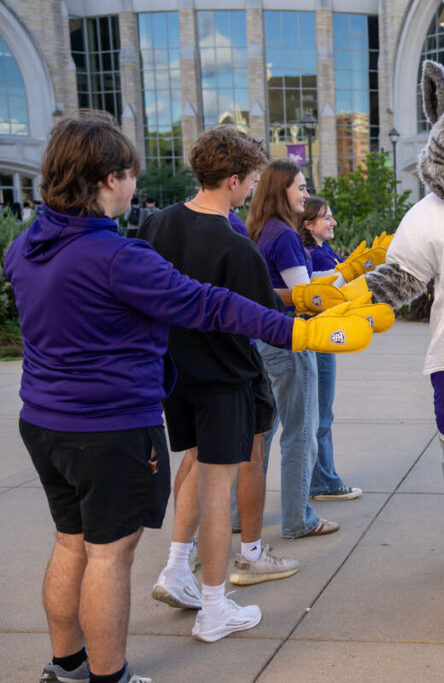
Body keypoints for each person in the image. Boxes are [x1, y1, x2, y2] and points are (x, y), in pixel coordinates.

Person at [5, 111, 371, 683]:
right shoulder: (115, 258)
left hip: (43, 423)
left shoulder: (26, 247)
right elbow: (209, 303)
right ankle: (108, 676)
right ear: (107, 179)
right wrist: (299, 330)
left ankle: (68, 665)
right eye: (128, 173)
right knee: (108, 555)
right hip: (109, 428)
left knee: (71, 543)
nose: (133, 184)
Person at [142, 126, 302, 644]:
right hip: (226, 377)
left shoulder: (155, 225)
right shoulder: (236, 246)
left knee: (191, 467)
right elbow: (268, 317)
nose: (253, 189)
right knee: (217, 491)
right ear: (233, 180)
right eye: (252, 180)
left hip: (173, 375)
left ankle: (174, 569)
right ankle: (214, 607)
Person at [248, 159, 338, 538]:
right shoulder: (284, 235)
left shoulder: (260, 230)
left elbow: (282, 287)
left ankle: (240, 516)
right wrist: (343, 295)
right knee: (300, 432)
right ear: (281, 189)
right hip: (291, 338)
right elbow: (305, 298)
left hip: (264, 339)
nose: (305, 194)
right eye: (300, 188)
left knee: (262, 434)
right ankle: (298, 518)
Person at [298, 197, 363, 502]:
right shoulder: (314, 254)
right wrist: (351, 273)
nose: (333, 222)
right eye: (326, 218)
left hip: (323, 334)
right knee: (321, 413)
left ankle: (319, 478)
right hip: (320, 336)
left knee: (319, 412)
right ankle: (323, 481)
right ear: (308, 224)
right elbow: (325, 293)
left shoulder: (321, 251)